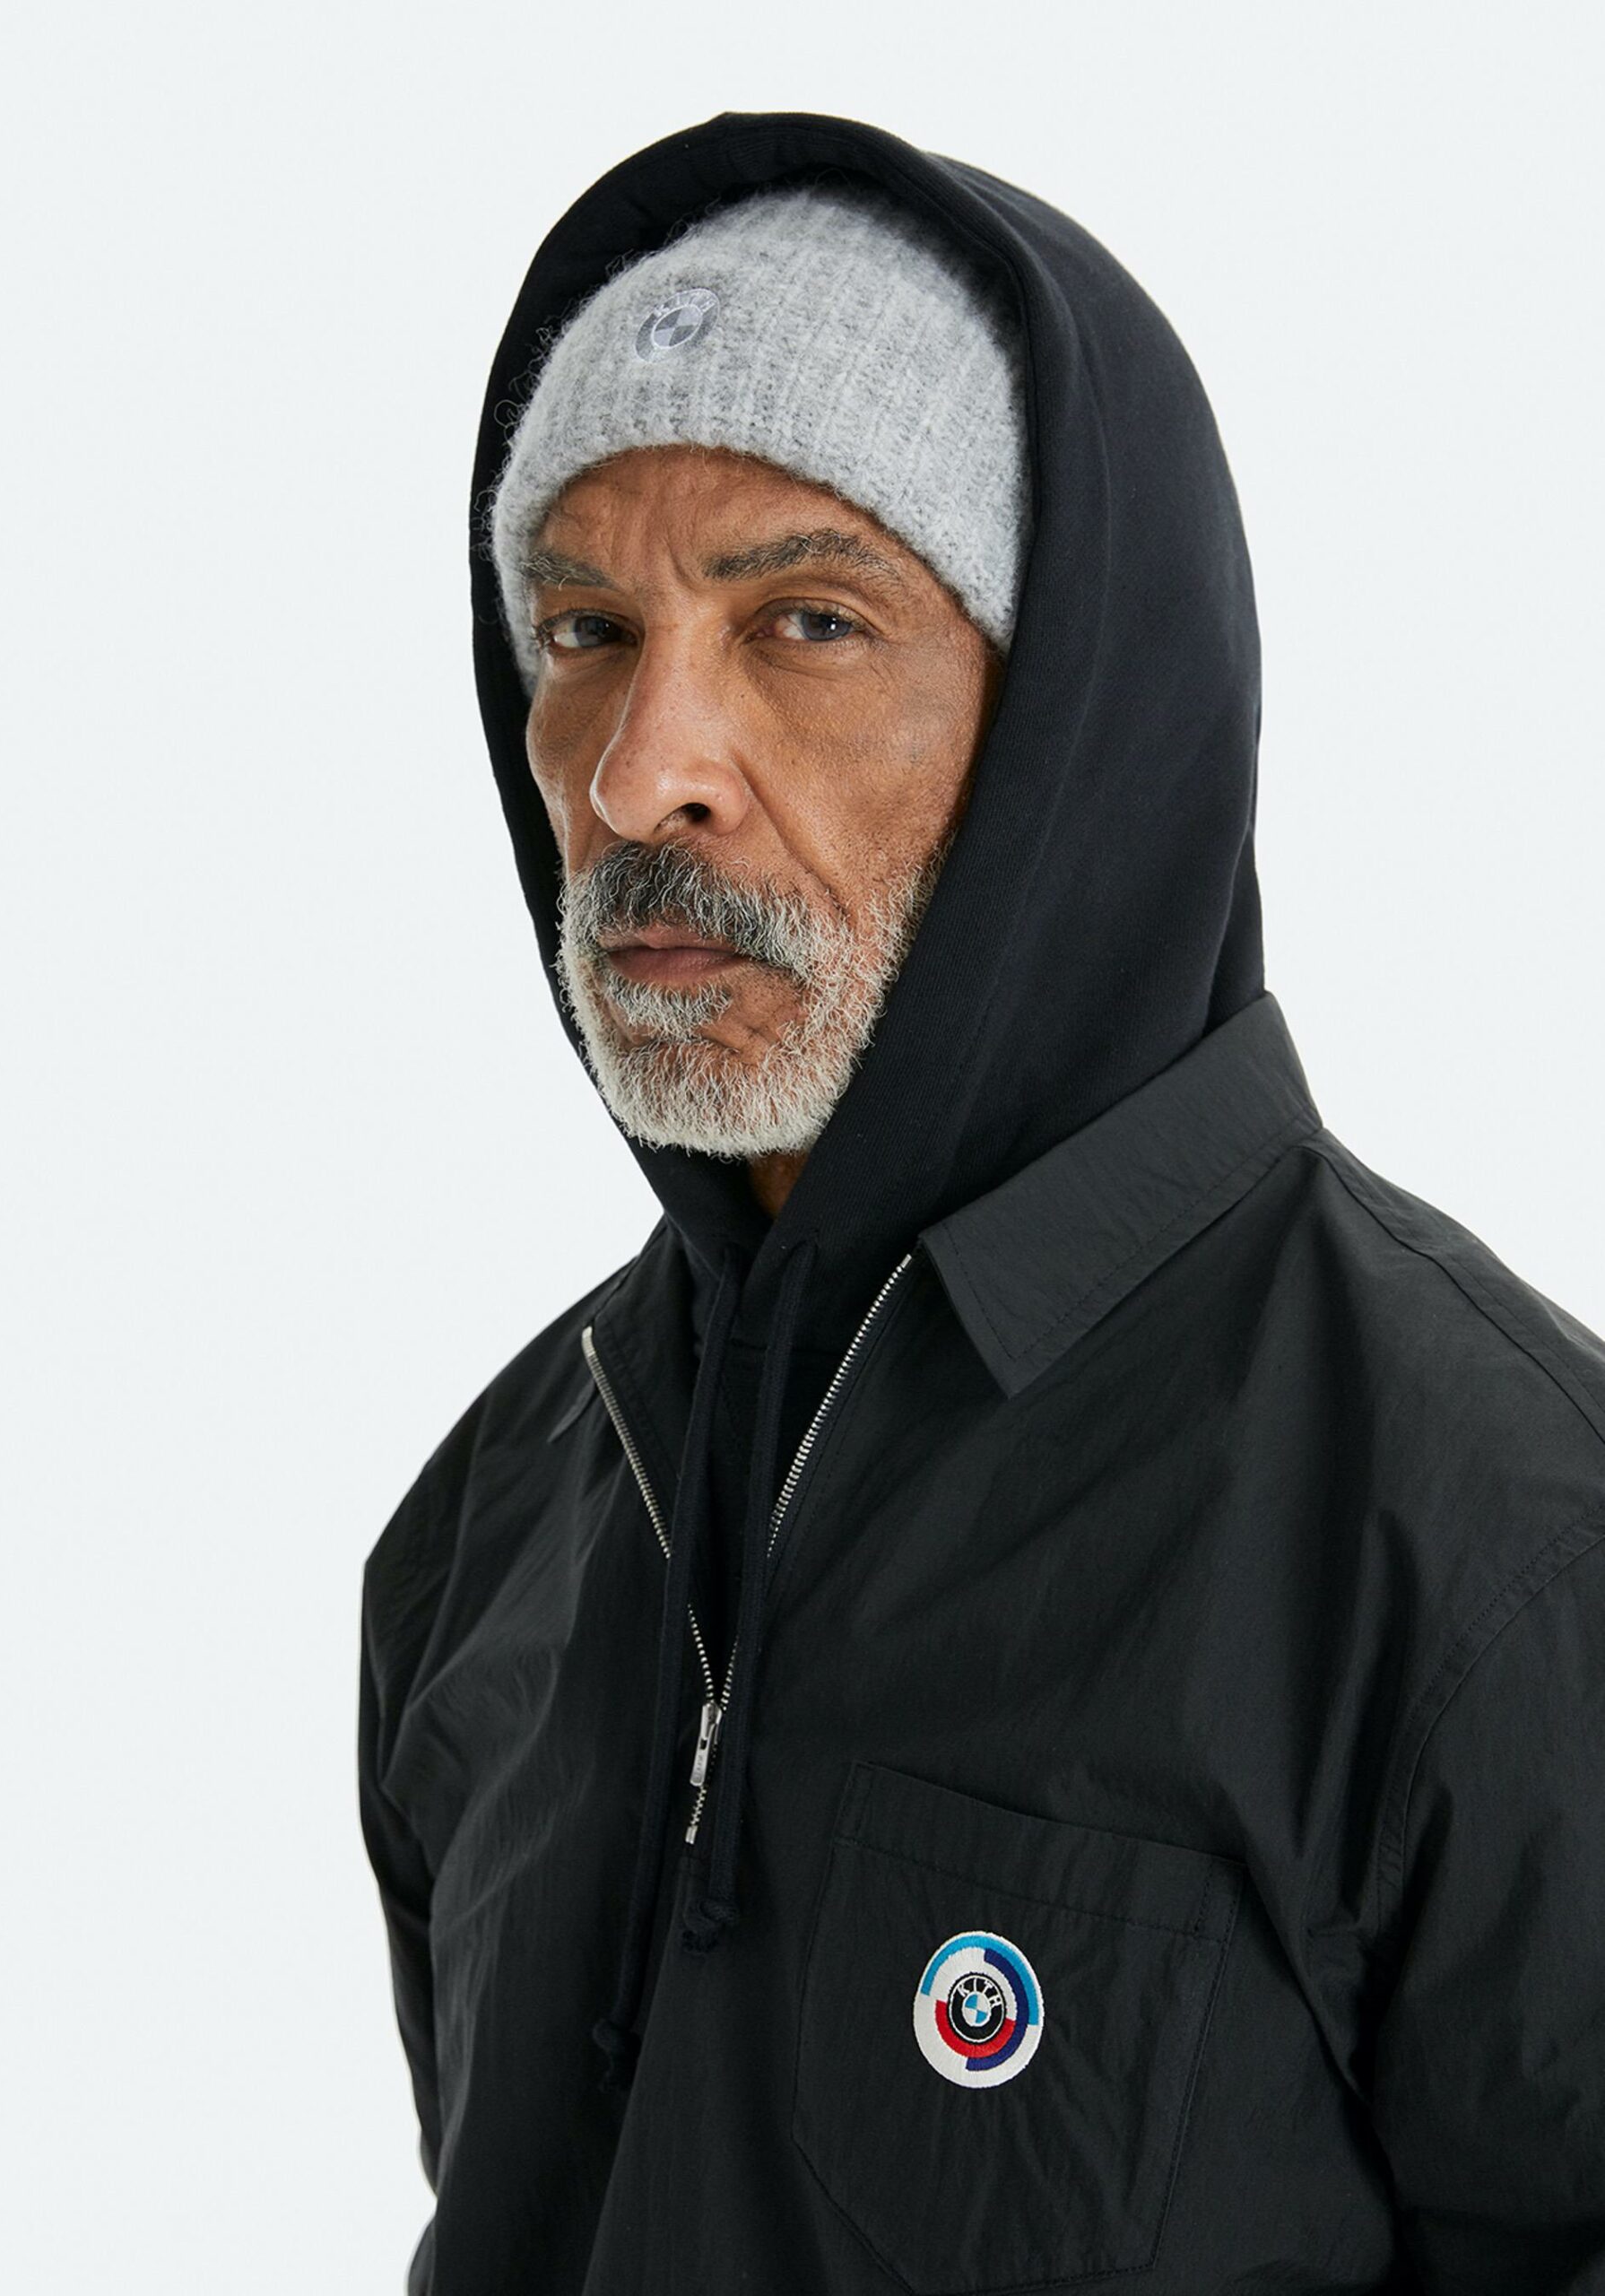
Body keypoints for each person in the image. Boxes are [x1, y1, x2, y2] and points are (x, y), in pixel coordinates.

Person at [358, 110, 1605, 2296]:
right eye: (583, 626)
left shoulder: (1495, 1538)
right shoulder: (497, 1519)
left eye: (808, 620)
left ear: (1076, 732)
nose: (641, 768)